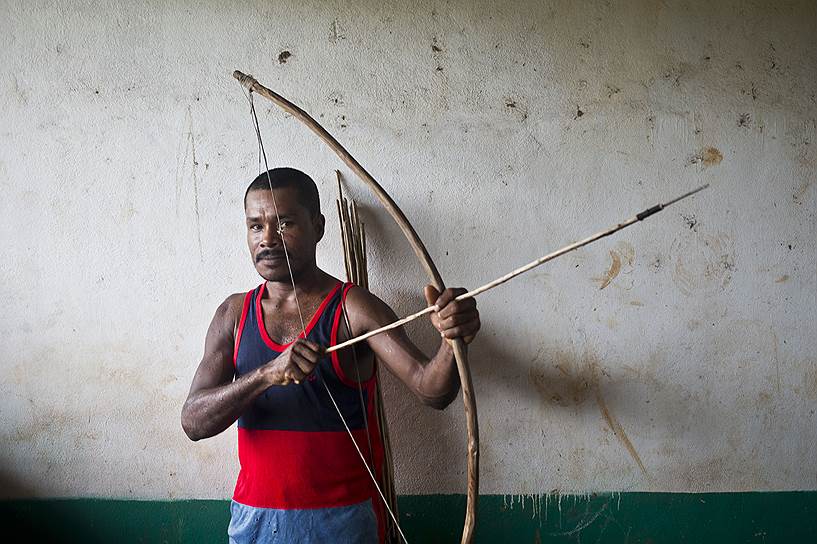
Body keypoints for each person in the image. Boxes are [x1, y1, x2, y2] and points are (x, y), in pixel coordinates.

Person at [181, 167, 480, 543]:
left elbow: (432, 390)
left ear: (318, 226)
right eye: (256, 226)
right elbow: (193, 422)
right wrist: (265, 375)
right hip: (255, 521)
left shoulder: (352, 307)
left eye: (285, 223)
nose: (268, 239)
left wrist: (453, 341)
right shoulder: (234, 314)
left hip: (342, 523)